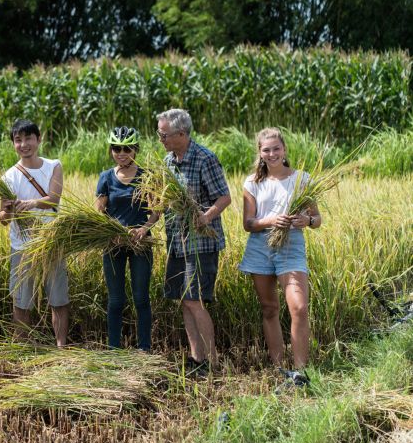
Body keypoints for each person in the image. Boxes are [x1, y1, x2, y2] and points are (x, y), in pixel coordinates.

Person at [239, 128, 320, 387]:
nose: (272, 154)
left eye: (276, 148)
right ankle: (278, 368)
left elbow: (317, 219)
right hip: (260, 247)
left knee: (299, 308)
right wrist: (272, 220)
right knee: (269, 308)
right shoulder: (252, 183)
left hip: (291, 246)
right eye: (266, 150)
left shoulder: (301, 179)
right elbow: (248, 224)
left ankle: (300, 372)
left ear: (284, 149)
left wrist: (305, 220)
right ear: (260, 153)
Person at [157, 109, 231, 375]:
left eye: (164, 134)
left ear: (181, 134)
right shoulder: (168, 161)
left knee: (194, 299)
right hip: (176, 241)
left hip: (200, 243)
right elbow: (163, 201)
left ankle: (211, 362)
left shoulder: (204, 158)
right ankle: (196, 358)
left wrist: (206, 216)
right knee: (184, 300)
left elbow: (223, 197)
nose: (160, 138)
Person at [0, 119, 69, 347]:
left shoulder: (53, 166)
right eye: (18, 140)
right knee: (21, 302)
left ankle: (61, 347)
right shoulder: (8, 177)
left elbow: (53, 199)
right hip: (22, 246)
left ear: (39, 139)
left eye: (28, 138)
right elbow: (2, 218)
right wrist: (7, 211)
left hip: (51, 243)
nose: (23, 144)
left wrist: (29, 204)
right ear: (13, 144)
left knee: (58, 299)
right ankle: (23, 348)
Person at [95, 126, 159, 351]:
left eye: (127, 148)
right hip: (113, 245)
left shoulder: (147, 175)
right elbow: (99, 212)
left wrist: (144, 229)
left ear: (136, 149)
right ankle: (114, 348)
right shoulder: (105, 178)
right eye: (116, 148)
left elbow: (156, 209)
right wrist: (113, 233)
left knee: (141, 298)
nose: (121, 153)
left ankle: (144, 348)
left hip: (141, 244)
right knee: (115, 300)